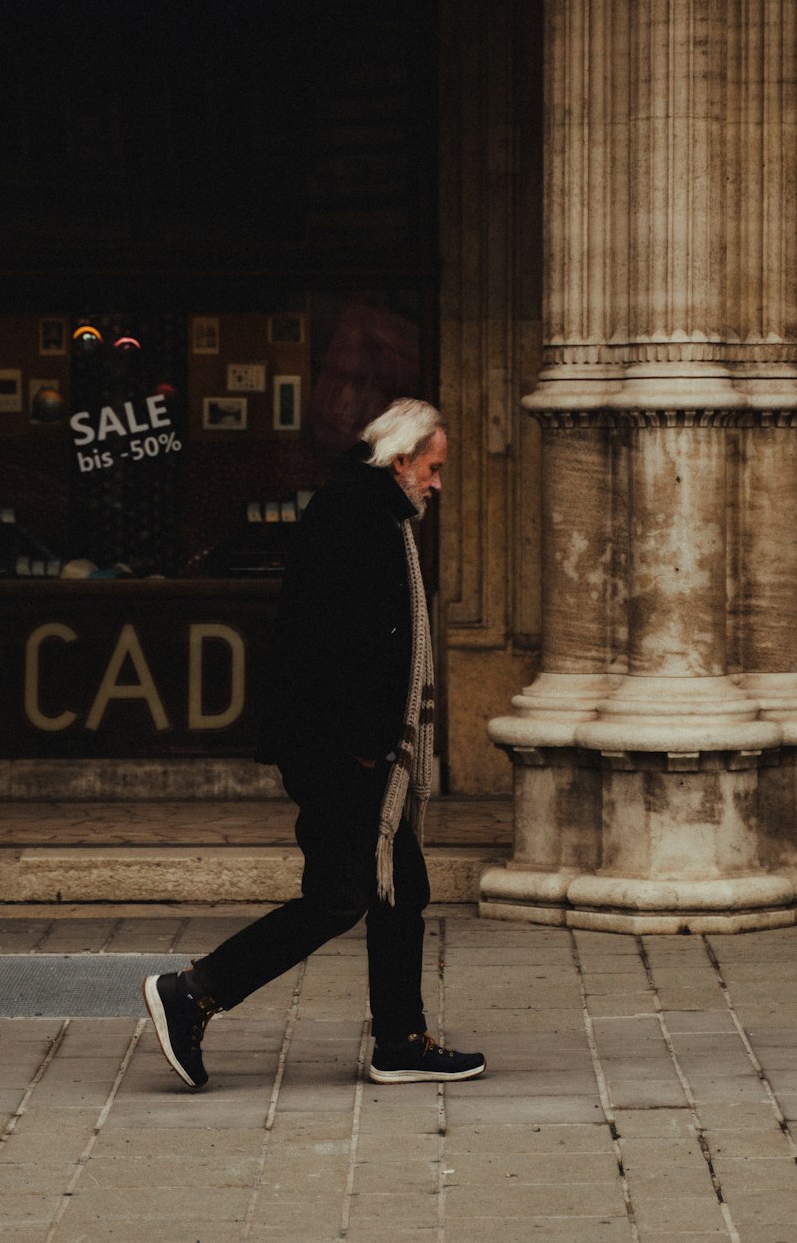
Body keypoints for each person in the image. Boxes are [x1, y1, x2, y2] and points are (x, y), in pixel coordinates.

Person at [143, 398, 485, 1087]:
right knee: (339, 895)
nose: (437, 484)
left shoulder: (373, 512)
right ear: (399, 461)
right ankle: (192, 994)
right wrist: (364, 744)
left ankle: (399, 1041)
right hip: (339, 750)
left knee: (401, 888)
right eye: (433, 468)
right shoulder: (352, 516)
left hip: (354, 748)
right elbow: (333, 638)